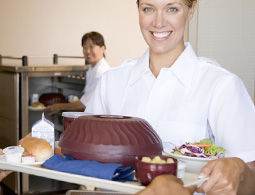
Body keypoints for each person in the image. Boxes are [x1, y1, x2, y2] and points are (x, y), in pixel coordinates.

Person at [86, 0, 255, 194]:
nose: (158, 23)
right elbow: (81, 159)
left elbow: (251, 176)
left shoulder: (222, 85)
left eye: (172, 9)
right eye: (148, 9)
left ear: (191, 10)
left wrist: (241, 172)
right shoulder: (110, 81)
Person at [46, 31, 110, 115]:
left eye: (91, 47)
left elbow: (85, 104)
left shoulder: (101, 72)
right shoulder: (92, 69)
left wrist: (59, 106)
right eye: (84, 47)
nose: (87, 51)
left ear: (102, 48)